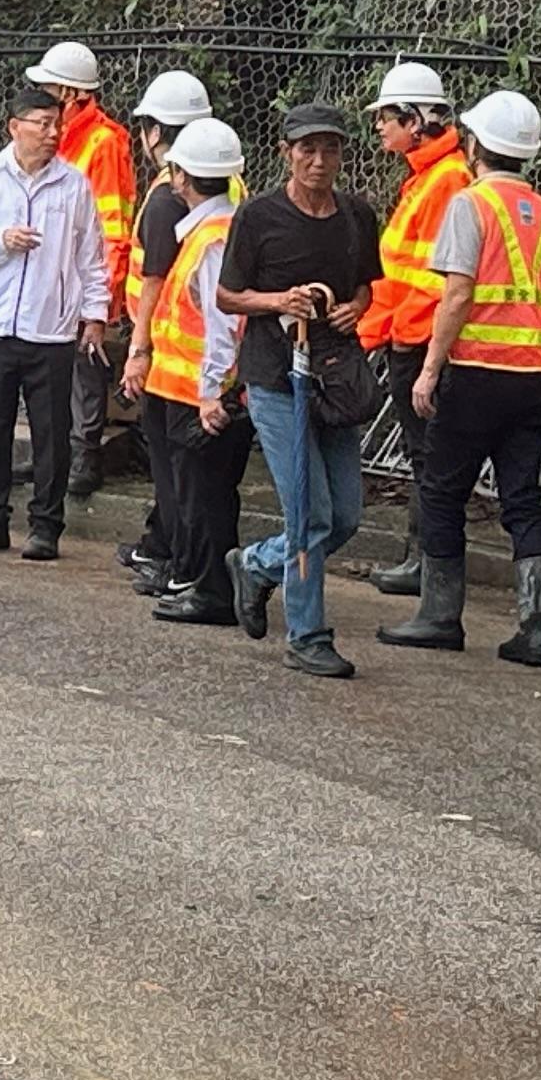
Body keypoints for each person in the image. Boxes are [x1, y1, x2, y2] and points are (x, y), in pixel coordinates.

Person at [379, 88, 541, 666]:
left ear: (479, 144)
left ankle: (439, 616)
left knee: (441, 492)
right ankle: (534, 630)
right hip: (533, 377)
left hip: (475, 373)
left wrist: (429, 369)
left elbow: (456, 294)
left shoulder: (470, 204)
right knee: (523, 500)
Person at [222, 104, 383, 678]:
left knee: (344, 516)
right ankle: (308, 635)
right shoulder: (259, 216)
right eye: (308, 149)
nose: (319, 161)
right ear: (287, 152)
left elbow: (367, 286)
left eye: (331, 149)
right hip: (274, 376)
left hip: (333, 377)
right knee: (310, 512)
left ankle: (259, 564)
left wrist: (352, 309)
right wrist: (279, 302)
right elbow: (227, 295)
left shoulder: (357, 215)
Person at [0, 85, 111, 559]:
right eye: (42, 124)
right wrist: (0, 241)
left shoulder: (73, 185)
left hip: (51, 329)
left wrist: (94, 315)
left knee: (52, 434)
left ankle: (46, 526)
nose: (53, 133)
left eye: (57, 124)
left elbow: (90, 258)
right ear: (15, 127)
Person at [362, 64, 473, 597]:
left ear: (416, 119)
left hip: (421, 341)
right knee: (422, 453)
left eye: (387, 116)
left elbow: (440, 281)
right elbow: (399, 272)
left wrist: (407, 339)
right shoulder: (428, 176)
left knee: (429, 456)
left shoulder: (446, 179)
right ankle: (420, 560)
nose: (380, 127)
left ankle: (425, 564)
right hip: (407, 337)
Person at [136, 119, 252, 621]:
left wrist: (211, 393)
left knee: (204, 495)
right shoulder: (216, 231)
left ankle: (212, 592)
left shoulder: (212, 240)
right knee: (200, 493)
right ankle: (203, 585)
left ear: (181, 176)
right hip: (195, 391)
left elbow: (222, 329)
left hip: (200, 396)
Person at [27, 42, 138, 501]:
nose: (41, 96)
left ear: (71, 93)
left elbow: (113, 226)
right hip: (48, 272)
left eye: (49, 88)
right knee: (51, 367)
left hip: (83, 274)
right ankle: (52, 454)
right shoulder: (61, 138)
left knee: (85, 365)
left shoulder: (102, 142)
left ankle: (84, 454)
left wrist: (102, 295)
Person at [119, 68, 215, 585]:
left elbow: (154, 279)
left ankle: (173, 561)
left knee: (173, 466)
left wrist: (138, 351)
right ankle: (166, 547)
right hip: (200, 350)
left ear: (155, 132)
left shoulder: (165, 195)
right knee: (188, 470)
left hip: (170, 352)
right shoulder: (221, 181)